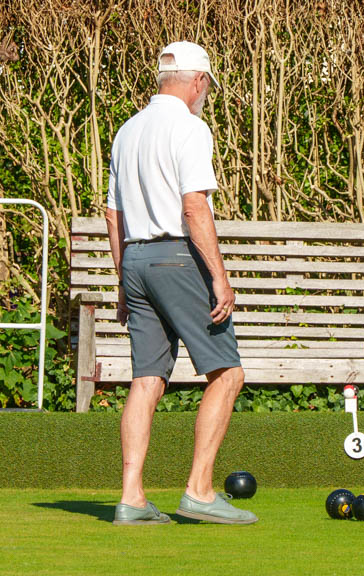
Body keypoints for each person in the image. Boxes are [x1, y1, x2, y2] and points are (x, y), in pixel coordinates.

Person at [106, 41, 256, 525]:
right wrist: (220, 278)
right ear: (198, 81)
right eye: (207, 86)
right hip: (176, 258)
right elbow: (194, 208)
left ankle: (131, 498)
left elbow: (113, 214)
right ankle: (199, 491)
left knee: (147, 378)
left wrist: (123, 280)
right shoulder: (191, 127)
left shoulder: (128, 130)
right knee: (227, 374)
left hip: (135, 260)